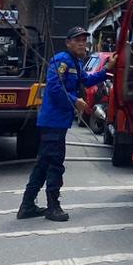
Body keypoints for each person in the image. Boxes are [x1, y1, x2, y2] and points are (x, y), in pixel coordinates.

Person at [17, 27, 113, 222]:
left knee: (43, 164)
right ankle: (53, 207)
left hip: (58, 122)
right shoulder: (62, 60)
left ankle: (27, 206)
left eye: (84, 40)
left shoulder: (76, 62)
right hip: (53, 121)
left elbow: (86, 80)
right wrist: (74, 100)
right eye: (77, 40)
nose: (82, 43)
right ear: (68, 42)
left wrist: (106, 70)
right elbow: (54, 88)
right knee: (54, 164)